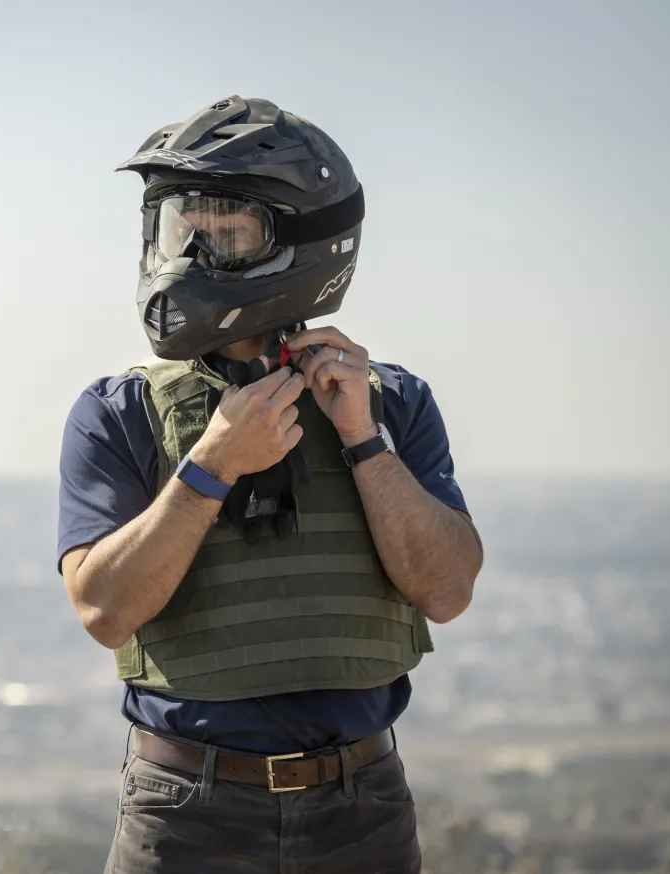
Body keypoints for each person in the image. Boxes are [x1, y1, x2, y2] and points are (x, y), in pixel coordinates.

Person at [56, 96, 484, 874]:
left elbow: (449, 590)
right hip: (186, 808)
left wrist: (362, 439)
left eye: (227, 228)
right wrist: (212, 464)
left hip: (363, 808)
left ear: (305, 242)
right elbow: (103, 608)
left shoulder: (394, 404)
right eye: (186, 223)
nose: (192, 249)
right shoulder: (118, 414)